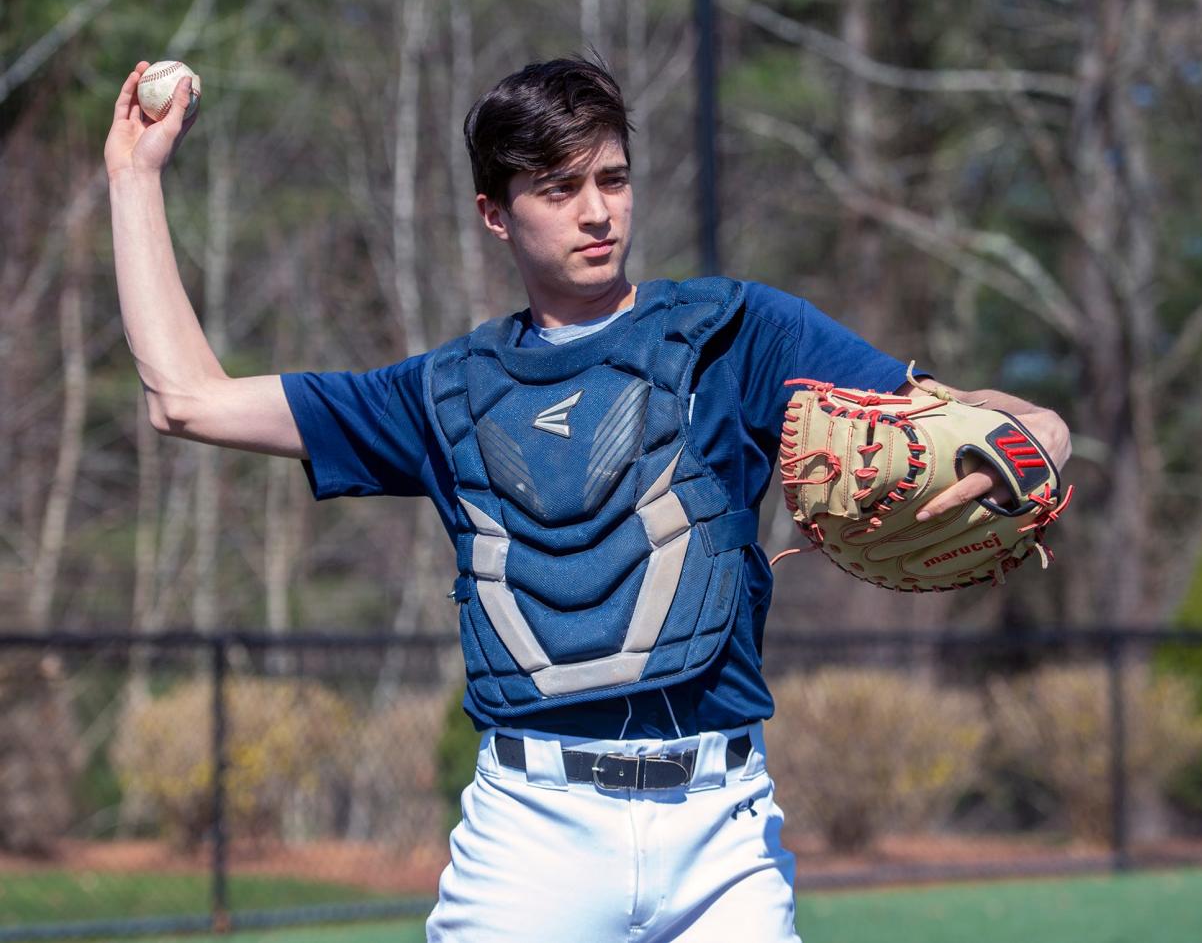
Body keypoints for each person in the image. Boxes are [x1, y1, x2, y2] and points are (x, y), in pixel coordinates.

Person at [106, 55, 1070, 942]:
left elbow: (954, 411)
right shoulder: (441, 393)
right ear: (496, 212)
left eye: (612, 178)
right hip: (532, 834)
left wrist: (1040, 439)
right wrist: (135, 179)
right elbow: (186, 400)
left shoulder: (738, 332)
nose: (596, 211)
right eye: (559, 189)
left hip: (721, 829)